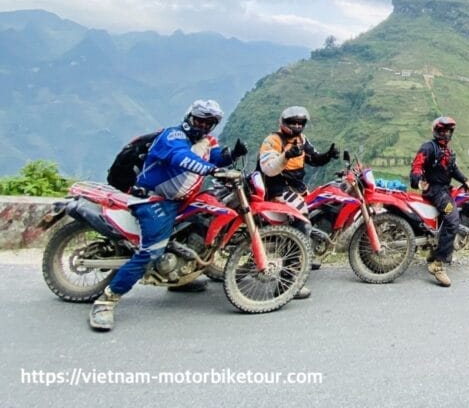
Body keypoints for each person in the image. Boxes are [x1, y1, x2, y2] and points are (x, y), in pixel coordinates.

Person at [89, 99, 246, 331]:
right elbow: (181, 158)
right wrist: (214, 171)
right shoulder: (173, 137)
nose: (202, 126)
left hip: (180, 199)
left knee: (199, 223)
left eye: (208, 123)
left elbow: (213, 156)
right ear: (189, 116)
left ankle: (178, 278)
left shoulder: (204, 141)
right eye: (199, 120)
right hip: (152, 198)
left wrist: (231, 154)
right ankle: (107, 300)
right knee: (151, 252)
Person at [258, 105, 339, 291]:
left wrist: (328, 155)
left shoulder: (301, 139)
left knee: (317, 211)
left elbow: (313, 158)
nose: (296, 126)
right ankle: (287, 280)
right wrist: (285, 156)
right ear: (283, 123)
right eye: (292, 122)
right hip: (277, 189)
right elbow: (269, 169)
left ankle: (305, 256)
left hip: (297, 188)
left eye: (299, 122)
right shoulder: (273, 140)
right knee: (302, 225)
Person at [409, 115, 469, 287]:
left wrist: (466, 180)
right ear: (437, 131)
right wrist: (417, 180)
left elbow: (453, 170)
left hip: (445, 190)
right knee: (452, 219)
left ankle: (434, 251)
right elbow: (417, 165)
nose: (446, 134)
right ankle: (438, 264)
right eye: (443, 130)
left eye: (448, 131)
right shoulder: (429, 148)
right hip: (435, 191)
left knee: (452, 215)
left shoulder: (449, 151)